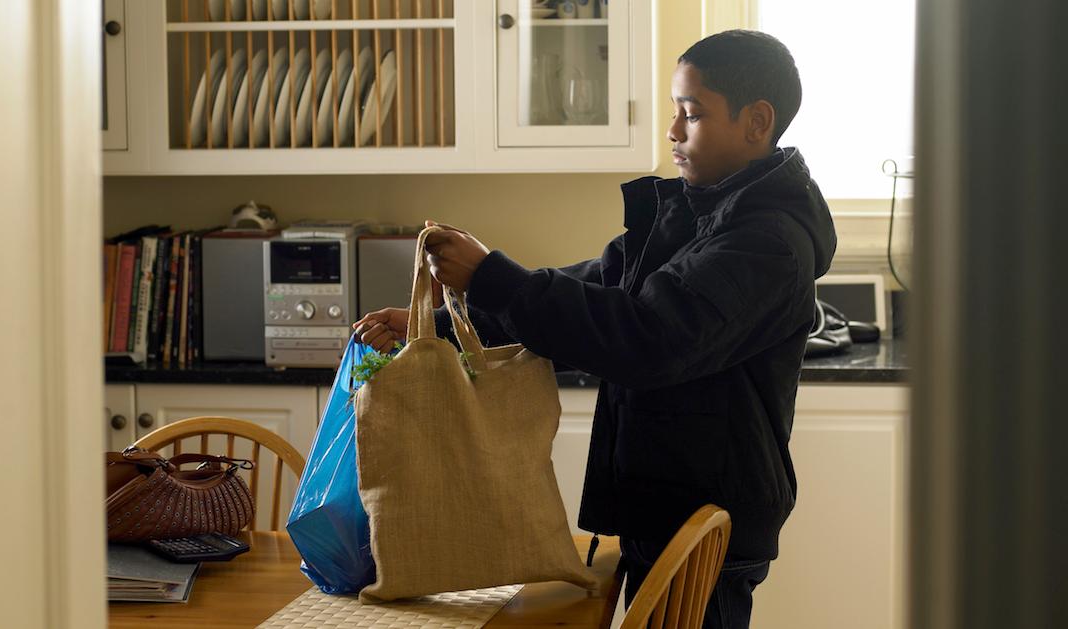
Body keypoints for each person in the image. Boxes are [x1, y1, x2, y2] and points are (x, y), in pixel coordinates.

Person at [353, 29, 835, 629]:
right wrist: (451, 323)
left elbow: (645, 337)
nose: (673, 132)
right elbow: (598, 288)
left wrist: (489, 277)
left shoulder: (766, 243)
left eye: (692, 113)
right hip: (663, 501)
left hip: (703, 515)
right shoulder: (702, 209)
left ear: (756, 122)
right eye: (674, 113)